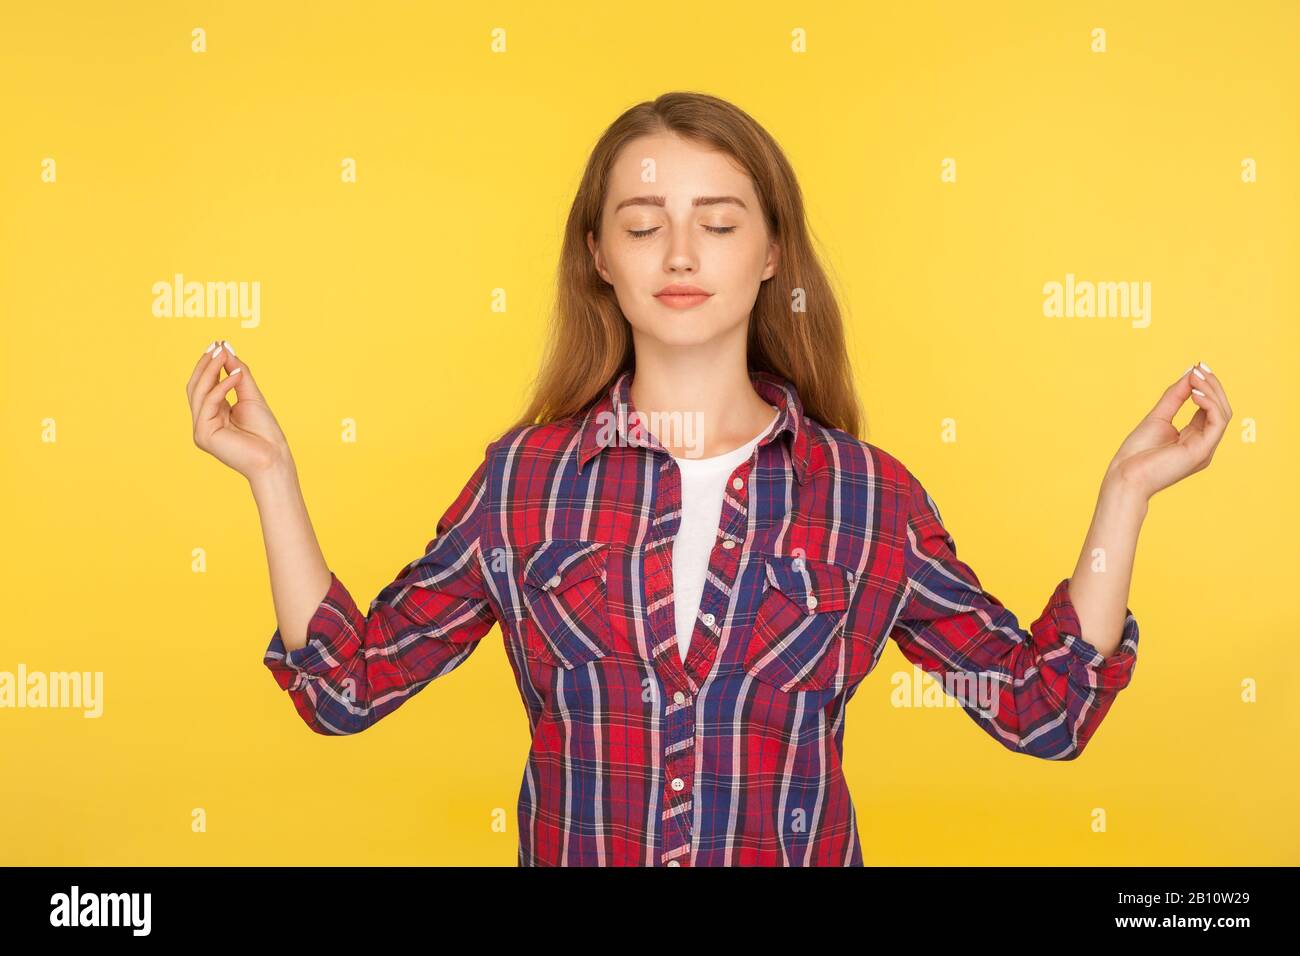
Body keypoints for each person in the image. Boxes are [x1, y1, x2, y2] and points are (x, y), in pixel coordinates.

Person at [185, 91, 1231, 866]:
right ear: (597, 252)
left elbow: (1041, 709)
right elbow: (345, 687)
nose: (679, 251)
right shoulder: (526, 484)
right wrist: (269, 474)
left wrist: (1124, 493)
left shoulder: (866, 499)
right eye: (643, 224)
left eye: (720, 222)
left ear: (773, 250)